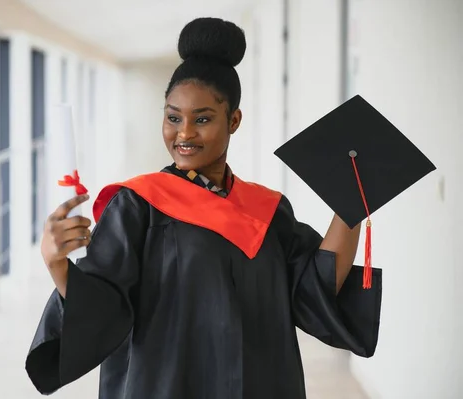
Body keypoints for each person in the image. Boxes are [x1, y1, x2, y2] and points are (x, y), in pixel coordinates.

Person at [25, 17, 382, 399]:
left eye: (203, 119)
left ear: (234, 120)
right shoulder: (138, 206)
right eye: (173, 117)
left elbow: (314, 291)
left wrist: (351, 205)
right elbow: (104, 309)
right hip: (164, 385)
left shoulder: (268, 211)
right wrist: (57, 264)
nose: (183, 133)